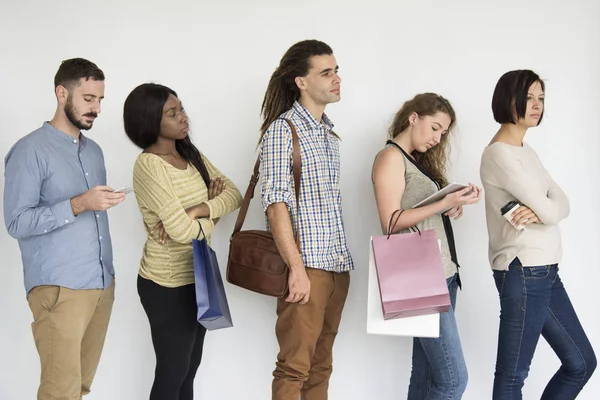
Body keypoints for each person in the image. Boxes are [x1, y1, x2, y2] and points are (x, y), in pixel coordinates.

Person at [4, 58, 123, 400]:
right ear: (61, 93)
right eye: (88, 99)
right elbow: (16, 221)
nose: (96, 108)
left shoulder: (94, 152)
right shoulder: (30, 151)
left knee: (79, 387)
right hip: (60, 289)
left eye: (100, 99)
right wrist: (78, 204)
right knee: (60, 392)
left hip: (101, 284)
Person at [480, 69, 596, 399]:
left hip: (544, 273)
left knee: (581, 362)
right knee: (513, 374)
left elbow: (562, 203)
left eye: (541, 98)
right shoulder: (499, 154)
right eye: (528, 97)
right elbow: (550, 209)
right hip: (524, 270)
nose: (537, 104)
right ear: (508, 99)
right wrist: (546, 208)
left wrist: (547, 208)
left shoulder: (526, 152)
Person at [123, 83, 242, 400]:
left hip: (198, 276)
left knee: (189, 369)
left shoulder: (190, 154)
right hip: (165, 284)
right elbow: (178, 231)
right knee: (172, 372)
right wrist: (211, 220)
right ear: (150, 121)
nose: (183, 117)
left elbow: (234, 195)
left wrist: (201, 209)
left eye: (181, 108)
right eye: (171, 113)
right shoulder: (149, 165)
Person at [259, 39, 354, 400]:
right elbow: (276, 205)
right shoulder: (283, 131)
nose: (336, 79)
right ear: (301, 81)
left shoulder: (329, 136)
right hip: (308, 267)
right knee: (294, 368)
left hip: (336, 265)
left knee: (321, 366)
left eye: (337, 71)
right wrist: (296, 268)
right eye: (325, 72)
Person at [372, 93, 481, 399]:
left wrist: (450, 206)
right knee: (453, 380)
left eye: (443, 133)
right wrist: (442, 201)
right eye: (435, 127)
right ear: (413, 117)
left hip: (442, 274)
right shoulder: (390, 157)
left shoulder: (413, 162)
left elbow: (418, 211)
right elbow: (391, 222)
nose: (437, 138)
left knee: (426, 374)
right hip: (419, 278)